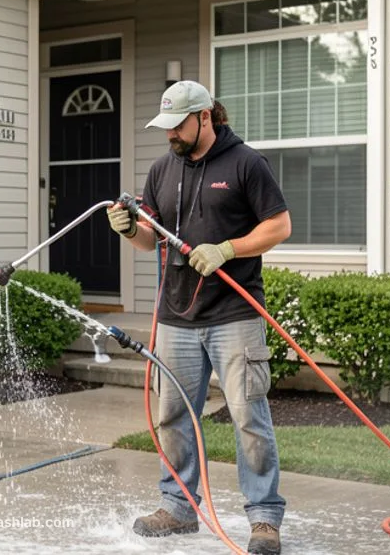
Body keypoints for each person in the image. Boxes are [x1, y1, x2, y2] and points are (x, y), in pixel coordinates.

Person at [106, 80, 291, 555]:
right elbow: (149, 237)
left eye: (177, 125)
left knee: (248, 416)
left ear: (205, 117)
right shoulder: (162, 168)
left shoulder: (246, 163)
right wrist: (128, 229)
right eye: (165, 126)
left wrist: (227, 249)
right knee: (172, 415)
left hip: (234, 314)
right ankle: (179, 508)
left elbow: (279, 225)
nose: (170, 134)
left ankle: (264, 518)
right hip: (175, 316)